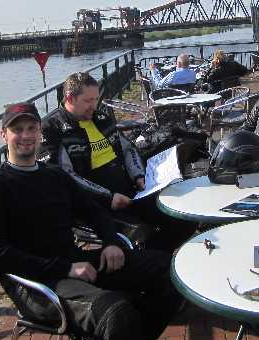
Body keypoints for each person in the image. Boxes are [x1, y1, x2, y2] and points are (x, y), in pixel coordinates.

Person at [0, 102, 182, 340]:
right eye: (17, 130)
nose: (25, 136)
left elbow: (93, 211)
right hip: (38, 283)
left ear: (40, 133)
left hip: (74, 262)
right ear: (4, 135)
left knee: (171, 273)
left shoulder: (53, 175)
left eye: (31, 129)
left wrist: (110, 242)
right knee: (118, 313)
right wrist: (66, 269)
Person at [40, 72, 195, 251]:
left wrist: (138, 175)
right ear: (69, 98)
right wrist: (108, 197)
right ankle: (152, 260)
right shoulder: (52, 129)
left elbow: (128, 149)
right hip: (94, 204)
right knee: (141, 234)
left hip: (131, 191)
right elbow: (64, 176)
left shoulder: (101, 119)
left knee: (184, 220)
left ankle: (158, 257)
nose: (94, 106)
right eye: (88, 101)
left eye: (96, 99)